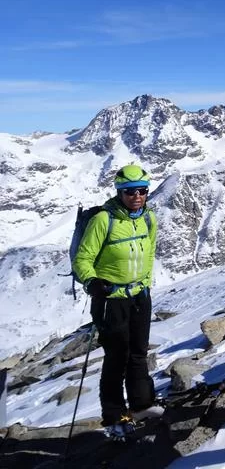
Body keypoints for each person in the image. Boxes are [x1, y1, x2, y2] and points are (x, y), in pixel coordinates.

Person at [72, 164, 162, 436]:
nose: (137, 196)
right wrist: (92, 282)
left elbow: (150, 251)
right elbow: (83, 259)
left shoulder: (148, 219)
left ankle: (141, 404)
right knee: (116, 357)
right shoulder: (103, 220)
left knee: (138, 351)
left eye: (142, 191)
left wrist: (145, 283)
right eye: (130, 192)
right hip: (111, 299)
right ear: (119, 192)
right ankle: (114, 417)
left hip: (139, 295)